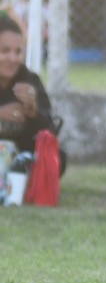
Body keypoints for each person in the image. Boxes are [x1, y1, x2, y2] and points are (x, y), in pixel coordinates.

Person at [0, 15, 64, 181]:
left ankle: (23, 182)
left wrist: (33, 110)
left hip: (20, 154)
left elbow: (48, 133)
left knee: (58, 157)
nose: (13, 59)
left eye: (18, 52)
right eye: (5, 51)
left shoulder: (29, 80)